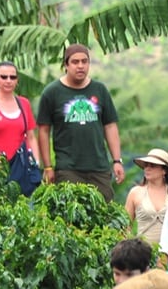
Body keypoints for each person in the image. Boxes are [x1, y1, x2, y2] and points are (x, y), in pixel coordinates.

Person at [36, 43, 124, 201]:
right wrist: (48, 166)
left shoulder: (100, 90)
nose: (80, 66)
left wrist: (117, 160)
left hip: (99, 167)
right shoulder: (52, 92)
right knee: (72, 216)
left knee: (104, 213)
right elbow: (43, 130)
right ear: (66, 65)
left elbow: (110, 126)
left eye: (84, 61)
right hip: (68, 168)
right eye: (75, 62)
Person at [124, 148, 168, 249]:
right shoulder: (135, 193)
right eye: (146, 165)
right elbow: (125, 226)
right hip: (142, 253)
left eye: (153, 165)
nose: (147, 168)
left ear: (164, 170)